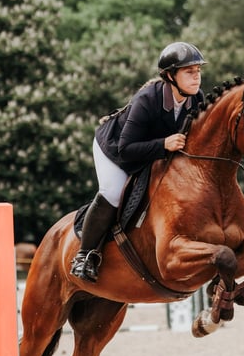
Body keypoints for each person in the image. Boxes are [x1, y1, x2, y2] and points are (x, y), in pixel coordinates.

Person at [70, 42, 207, 282]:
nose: (196, 78)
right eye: (189, 72)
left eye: (198, 71)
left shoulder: (197, 100)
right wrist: (163, 144)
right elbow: (126, 150)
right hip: (114, 149)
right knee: (112, 192)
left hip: (152, 151)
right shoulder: (147, 99)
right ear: (170, 76)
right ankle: (84, 255)